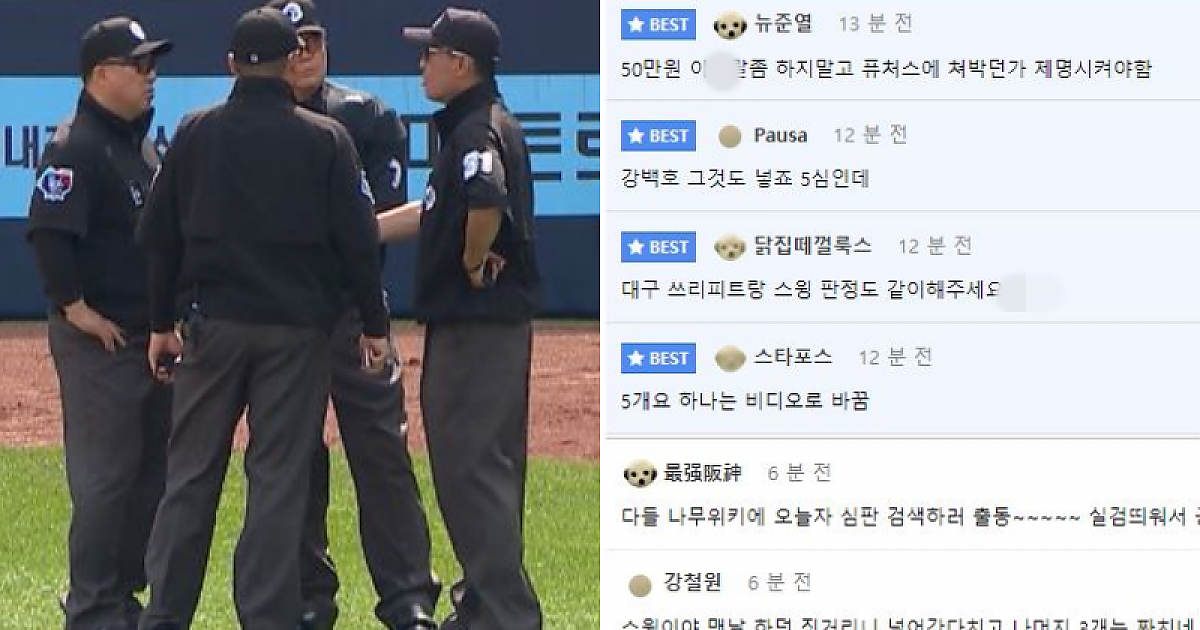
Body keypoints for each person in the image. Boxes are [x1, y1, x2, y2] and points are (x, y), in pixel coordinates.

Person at [134, 8, 392, 630]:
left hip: (214, 327)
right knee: (277, 480)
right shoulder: (326, 139)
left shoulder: (196, 131)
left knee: (190, 476)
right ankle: (269, 617)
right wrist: (375, 325)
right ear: (289, 61)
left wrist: (161, 323)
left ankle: (164, 616)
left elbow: (158, 238)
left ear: (231, 63)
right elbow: (359, 245)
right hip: (296, 335)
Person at [263, 1, 440, 628]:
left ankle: (408, 595)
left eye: (312, 40)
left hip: (350, 311)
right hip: (281, 318)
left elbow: (377, 219)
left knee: (381, 452)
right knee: (293, 458)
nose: (304, 53)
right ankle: (308, 596)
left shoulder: (365, 116)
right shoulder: (244, 123)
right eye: (292, 43)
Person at [394, 8, 544, 630]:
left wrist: (472, 259)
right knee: (485, 471)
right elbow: (437, 209)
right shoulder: (478, 122)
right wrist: (361, 230)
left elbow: (485, 199)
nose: (421, 65)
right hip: (488, 329)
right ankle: (483, 607)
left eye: (429, 54)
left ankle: (505, 614)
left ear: (459, 63)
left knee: (471, 471)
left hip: (477, 328)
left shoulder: (477, 130)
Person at [25, 16, 173, 630]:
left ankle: (119, 595)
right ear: (100, 74)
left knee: (148, 474)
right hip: (102, 341)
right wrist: (76, 309)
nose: (151, 75)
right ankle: (91, 606)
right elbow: (48, 233)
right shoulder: (75, 145)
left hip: (146, 337)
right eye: (139, 65)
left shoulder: (136, 142)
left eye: (152, 64)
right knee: (106, 477)